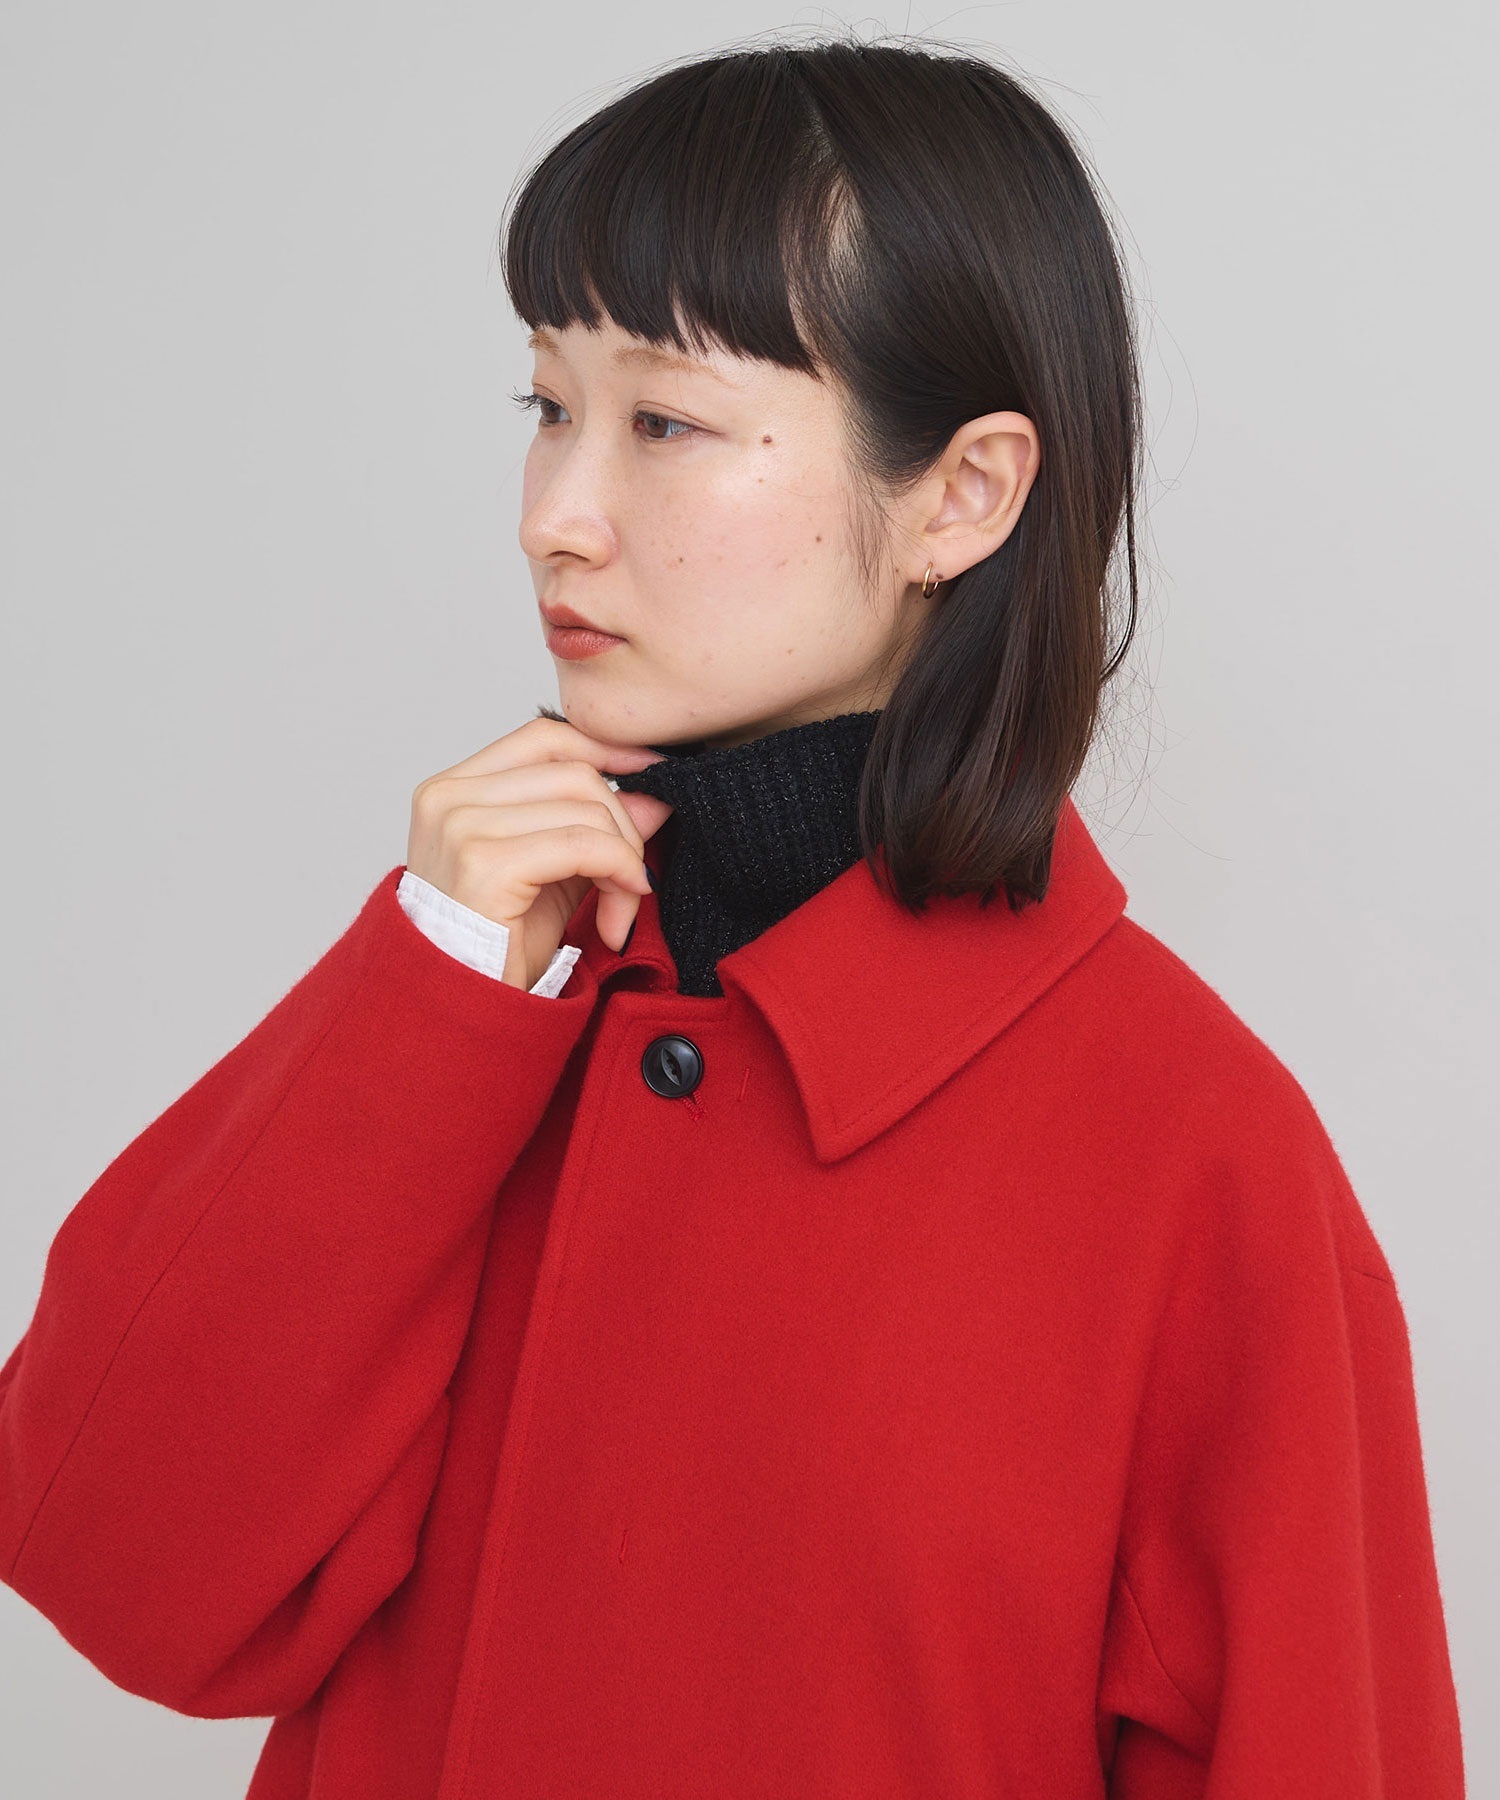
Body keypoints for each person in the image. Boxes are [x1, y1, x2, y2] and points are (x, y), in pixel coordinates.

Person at [0, 31, 1466, 1800]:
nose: (557, 519)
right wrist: (429, 991)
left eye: (667, 424)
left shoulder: (1194, 1160)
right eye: (549, 406)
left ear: (962, 495)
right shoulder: (476, 998)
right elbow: (113, 1572)